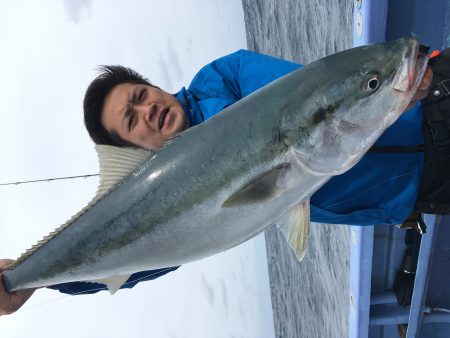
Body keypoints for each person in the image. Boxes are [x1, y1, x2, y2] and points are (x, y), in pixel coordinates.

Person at [0, 48, 440, 315]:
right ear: (132, 149)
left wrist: (392, 92)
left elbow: (318, 99)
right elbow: (136, 265)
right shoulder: (157, 197)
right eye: (131, 122)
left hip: (432, 109)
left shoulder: (226, 76)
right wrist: (32, 279)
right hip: (422, 192)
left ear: (154, 86)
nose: (146, 111)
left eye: (140, 97)